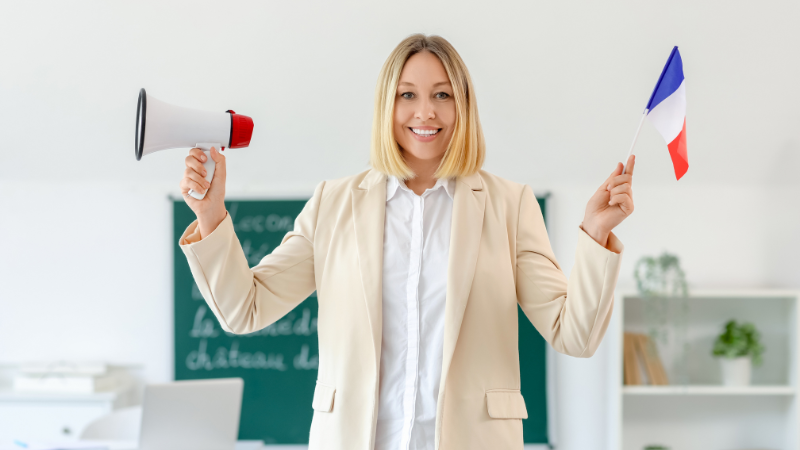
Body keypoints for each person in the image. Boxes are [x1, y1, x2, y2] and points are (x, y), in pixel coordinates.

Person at [178, 34, 633, 450]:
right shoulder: (332, 203)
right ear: (386, 106)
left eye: (442, 95)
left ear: (463, 107)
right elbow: (246, 308)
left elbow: (574, 334)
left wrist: (595, 233)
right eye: (407, 95)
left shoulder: (509, 205)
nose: (425, 112)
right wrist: (210, 214)